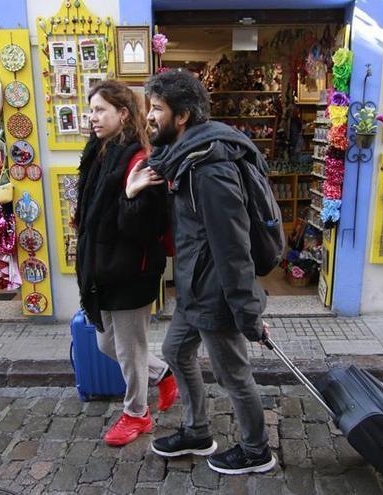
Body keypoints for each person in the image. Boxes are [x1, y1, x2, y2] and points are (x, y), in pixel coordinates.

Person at [144, 70, 276, 475]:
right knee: (175, 351)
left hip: (216, 291)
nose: (149, 116)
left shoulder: (209, 168)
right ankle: (197, 430)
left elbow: (233, 248)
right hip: (194, 285)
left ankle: (257, 451)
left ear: (182, 116)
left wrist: (247, 312)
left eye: (156, 109)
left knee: (232, 373)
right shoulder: (186, 157)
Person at [74, 80, 178, 447]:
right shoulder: (99, 151)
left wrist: (132, 194)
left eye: (100, 110)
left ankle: (137, 414)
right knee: (106, 344)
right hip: (102, 266)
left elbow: (143, 228)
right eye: (91, 110)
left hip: (132, 268)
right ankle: (163, 373)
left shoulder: (140, 159)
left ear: (122, 113)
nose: (93, 117)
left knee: (128, 348)